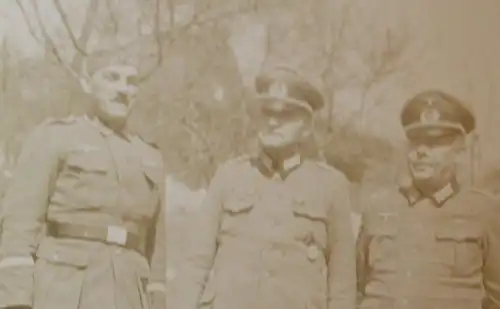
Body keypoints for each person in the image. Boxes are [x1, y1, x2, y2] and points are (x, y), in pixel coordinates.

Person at [172, 65, 356, 309]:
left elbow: (341, 285)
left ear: (306, 127)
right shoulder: (229, 175)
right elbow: (196, 263)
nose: (273, 122)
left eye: (286, 114)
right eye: (267, 113)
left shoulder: (331, 187)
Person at [0, 52, 166, 309]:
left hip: (129, 295)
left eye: (131, 81)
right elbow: (19, 225)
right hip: (66, 292)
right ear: (88, 83)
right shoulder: (54, 138)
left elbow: (157, 249)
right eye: (111, 77)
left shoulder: (150, 156)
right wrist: (16, 301)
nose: (123, 89)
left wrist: (158, 300)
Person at [356, 89, 500, 309]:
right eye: (415, 142)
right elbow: (357, 283)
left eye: (434, 144)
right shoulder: (378, 207)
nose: (421, 151)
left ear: (459, 152)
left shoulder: (484, 211)